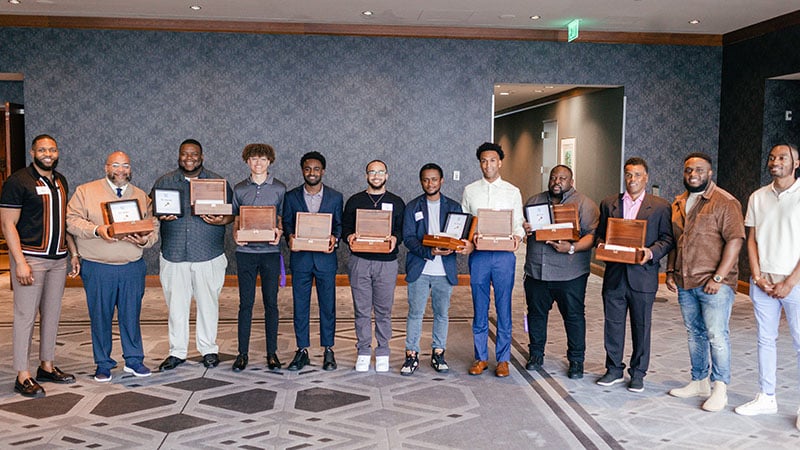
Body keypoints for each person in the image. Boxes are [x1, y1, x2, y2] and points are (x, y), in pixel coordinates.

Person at [67, 151, 158, 381]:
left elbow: (153, 225)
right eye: (116, 165)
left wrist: (145, 240)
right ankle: (103, 363)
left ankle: (134, 360)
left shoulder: (140, 195)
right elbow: (71, 220)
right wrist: (98, 230)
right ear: (106, 167)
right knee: (101, 316)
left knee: (131, 315)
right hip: (98, 267)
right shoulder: (85, 192)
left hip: (131, 266)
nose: (121, 170)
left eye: (125, 165)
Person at [0, 134, 79, 397]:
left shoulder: (60, 180)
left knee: (53, 313)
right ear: (33, 152)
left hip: (58, 259)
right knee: (25, 316)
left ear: (57, 153)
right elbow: (8, 224)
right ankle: (22, 375)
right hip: (31, 259)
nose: (48, 153)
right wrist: (19, 262)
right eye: (43, 149)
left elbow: (63, 221)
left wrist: (73, 253)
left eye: (52, 149)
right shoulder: (18, 181)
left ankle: (47, 365)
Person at [666, 152, 744, 412]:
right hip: (685, 281)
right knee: (694, 333)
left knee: (716, 335)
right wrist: (669, 271)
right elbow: (678, 241)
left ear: (710, 173)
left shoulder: (724, 202)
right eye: (688, 170)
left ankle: (720, 388)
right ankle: (699, 381)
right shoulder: (679, 202)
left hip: (715, 284)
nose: (693, 174)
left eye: (699, 170)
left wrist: (719, 277)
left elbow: (735, 240)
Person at [151, 139, 233, 371]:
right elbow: (153, 212)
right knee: (176, 307)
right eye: (185, 154)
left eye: (194, 154)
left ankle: (208, 349)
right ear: (179, 156)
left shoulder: (217, 182)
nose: (189, 158)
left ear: (202, 157)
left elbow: (231, 214)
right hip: (174, 254)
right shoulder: (164, 182)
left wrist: (222, 219)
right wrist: (160, 216)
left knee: (208, 305)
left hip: (208, 254)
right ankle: (177, 352)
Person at [595, 156, 674, 392]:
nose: (632, 180)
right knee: (613, 324)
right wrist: (601, 246)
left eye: (637, 175)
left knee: (641, 326)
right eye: (628, 175)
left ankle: (638, 373)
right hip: (615, 276)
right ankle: (613, 369)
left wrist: (650, 253)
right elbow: (600, 235)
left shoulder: (660, 206)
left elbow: (668, 239)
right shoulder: (609, 204)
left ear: (646, 178)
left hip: (643, 275)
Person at [735, 144, 800, 428]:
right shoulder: (758, 197)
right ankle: (766, 396)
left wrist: (790, 281)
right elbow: (752, 239)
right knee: (765, 339)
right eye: (772, 157)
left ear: (796, 163)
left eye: (782, 157)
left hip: (795, 282)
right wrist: (758, 277)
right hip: (762, 282)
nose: (775, 161)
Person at [522, 165, 599, 379]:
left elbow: (592, 236)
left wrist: (571, 247)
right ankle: (536, 355)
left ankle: (576, 361)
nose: (557, 181)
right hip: (537, 272)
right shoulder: (534, 201)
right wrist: (525, 229)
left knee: (573, 318)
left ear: (571, 181)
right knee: (536, 316)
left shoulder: (585, 204)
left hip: (570, 274)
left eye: (563, 178)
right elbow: (523, 230)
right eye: (554, 177)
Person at [401, 163, 472, 375]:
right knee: (415, 313)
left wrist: (455, 247)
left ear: (441, 181)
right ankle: (411, 355)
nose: (429, 183)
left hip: (444, 271)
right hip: (420, 269)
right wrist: (430, 252)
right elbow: (408, 239)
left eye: (434, 179)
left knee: (441, 313)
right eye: (425, 179)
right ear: (420, 181)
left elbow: (459, 235)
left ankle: (438, 352)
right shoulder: (412, 206)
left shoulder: (453, 207)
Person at [461, 142, 524, 377]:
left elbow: (518, 224)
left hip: (504, 256)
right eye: (484, 161)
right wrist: (467, 239)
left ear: (501, 162)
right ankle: (480, 357)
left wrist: (518, 237)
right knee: (479, 307)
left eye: (493, 160)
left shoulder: (512, 191)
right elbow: (465, 222)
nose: (488, 165)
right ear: (480, 163)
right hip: (479, 256)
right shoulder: (470, 190)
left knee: (504, 306)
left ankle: (503, 359)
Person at [343, 160, 405, 372]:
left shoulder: (396, 202)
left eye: (380, 172)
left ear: (387, 175)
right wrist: (350, 236)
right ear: (366, 175)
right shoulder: (355, 201)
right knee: (361, 309)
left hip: (386, 264)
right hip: (360, 261)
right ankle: (362, 350)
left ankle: (383, 351)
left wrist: (395, 239)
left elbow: (401, 230)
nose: (376, 175)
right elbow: (345, 229)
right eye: (372, 172)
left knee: (383, 310)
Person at [283, 151, 342, 371]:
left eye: (316, 169)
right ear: (302, 171)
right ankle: (302, 350)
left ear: (323, 171)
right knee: (300, 306)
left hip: (326, 260)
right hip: (301, 260)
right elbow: (288, 223)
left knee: (328, 306)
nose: (312, 173)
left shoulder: (335, 197)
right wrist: (289, 236)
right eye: (308, 169)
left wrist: (334, 239)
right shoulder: (291, 197)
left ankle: (328, 349)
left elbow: (338, 226)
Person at [231, 143, 286, 371]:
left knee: (271, 304)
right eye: (253, 159)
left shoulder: (280, 189)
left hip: (270, 254)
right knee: (246, 304)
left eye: (263, 159)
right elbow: (236, 218)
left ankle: (271, 353)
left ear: (270, 162)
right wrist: (235, 234)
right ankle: (242, 353)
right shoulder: (239, 188)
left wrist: (279, 233)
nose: (258, 163)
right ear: (247, 162)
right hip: (245, 253)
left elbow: (281, 218)